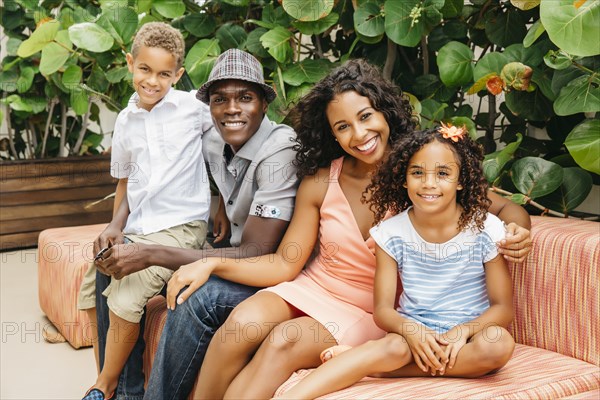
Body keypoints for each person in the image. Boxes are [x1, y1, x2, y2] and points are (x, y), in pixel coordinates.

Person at [165, 59, 531, 400]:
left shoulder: (421, 175)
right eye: (343, 127)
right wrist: (211, 263)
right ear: (332, 135)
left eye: (366, 116)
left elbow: (506, 207)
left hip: (374, 308)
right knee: (238, 325)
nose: (359, 134)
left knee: (284, 341)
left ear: (385, 112)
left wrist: (516, 232)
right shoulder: (323, 180)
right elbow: (283, 264)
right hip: (315, 286)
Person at [91, 48, 298, 400]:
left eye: (245, 98)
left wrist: (151, 253)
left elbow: (256, 253)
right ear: (210, 107)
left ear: (265, 104)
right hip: (229, 249)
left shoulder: (281, 151)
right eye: (220, 100)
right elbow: (180, 163)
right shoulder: (215, 138)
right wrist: (219, 203)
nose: (232, 109)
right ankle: (122, 393)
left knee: (194, 297)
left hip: (269, 272)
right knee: (110, 260)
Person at [276, 125, 516, 399]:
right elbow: (383, 311)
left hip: (468, 336)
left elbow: (502, 308)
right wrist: (412, 331)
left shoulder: (486, 229)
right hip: (411, 334)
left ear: (461, 180)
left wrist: (462, 332)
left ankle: (386, 370)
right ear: (403, 179)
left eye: (442, 173)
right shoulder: (390, 233)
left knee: (498, 346)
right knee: (392, 348)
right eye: (417, 173)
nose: (428, 183)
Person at [77, 22, 213, 400]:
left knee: (128, 292)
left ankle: (103, 387)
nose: (153, 81)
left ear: (178, 75)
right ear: (129, 63)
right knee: (93, 282)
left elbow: (227, 145)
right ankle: (113, 380)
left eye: (164, 74)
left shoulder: (193, 108)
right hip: (139, 224)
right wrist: (114, 224)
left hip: (181, 228)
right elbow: (125, 182)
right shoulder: (125, 120)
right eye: (145, 69)